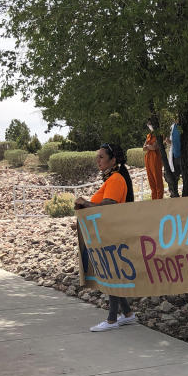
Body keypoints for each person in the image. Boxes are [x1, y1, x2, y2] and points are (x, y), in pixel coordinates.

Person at [75, 143, 138, 332]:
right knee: (113, 275)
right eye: (97, 157)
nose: (98, 160)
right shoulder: (111, 179)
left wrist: (84, 203)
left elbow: (107, 207)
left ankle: (112, 320)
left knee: (112, 276)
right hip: (107, 233)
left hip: (113, 234)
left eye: (101, 157)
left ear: (113, 160)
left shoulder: (116, 179)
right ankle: (127, 314)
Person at [144, 122, 165, 199]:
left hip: (155, 158)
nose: (149, 126)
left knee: (157, 180)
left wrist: (148, 146)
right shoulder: (149, 135)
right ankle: (154, 200)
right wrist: (149, 146)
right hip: (148, 159)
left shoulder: (159, 134)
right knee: (151, 181)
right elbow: (144, 148)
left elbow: (154, 147)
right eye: (148, 124)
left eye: (150, 124)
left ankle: (159, 199)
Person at [167, 120, 182, 198]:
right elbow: (173, 142)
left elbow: (177, 141)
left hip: (180, 156)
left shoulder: (180, 126)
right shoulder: (173, 126)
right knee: (173, 178)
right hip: (174, 155)